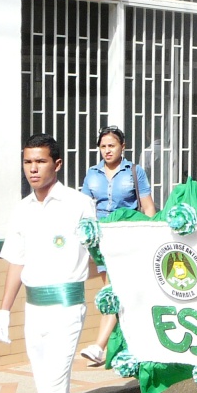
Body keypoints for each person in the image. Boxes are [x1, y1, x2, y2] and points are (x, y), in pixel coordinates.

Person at [0, 134, 98, 393]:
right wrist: (4, 309)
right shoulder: (21, 209)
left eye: (39, 162)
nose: (33, 169)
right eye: (27, 163)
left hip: (68, 308)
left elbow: (99, 256)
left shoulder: (79, 204)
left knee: (53, 390)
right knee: (51, 391)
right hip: (33, 309)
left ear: (57, 163)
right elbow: (16, 262)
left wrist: (111, 314)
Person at [79, 126, 157, 365]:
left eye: (111, 146)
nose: (107, 151)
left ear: (122, 147)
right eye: (103, 146)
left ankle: (99, 346)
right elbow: (83, 207)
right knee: (113, 289)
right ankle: (120, 345)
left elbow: (148, 206)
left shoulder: (134, 171)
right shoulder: (92, 174)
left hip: (127, 236)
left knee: (116, 288)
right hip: (101, 240)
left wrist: (152, 235)